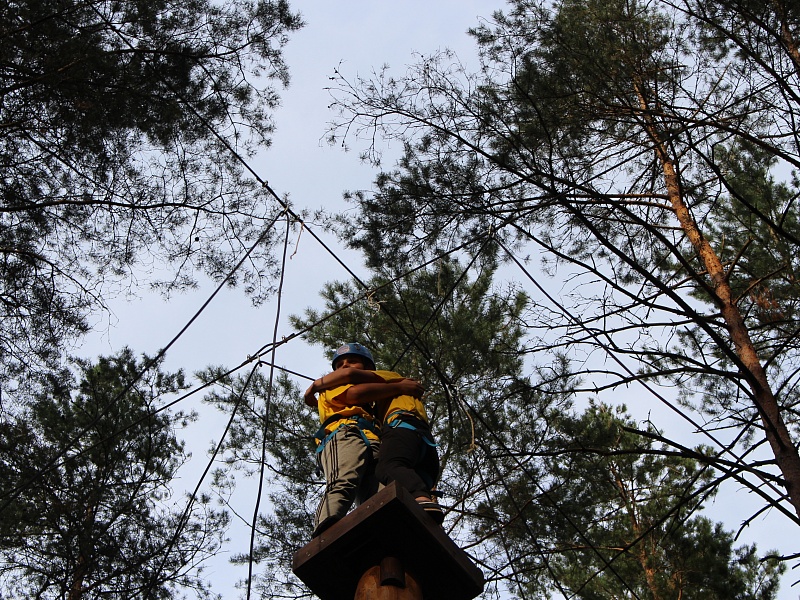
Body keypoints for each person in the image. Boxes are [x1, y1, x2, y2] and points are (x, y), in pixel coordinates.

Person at [306, 342, 443, 527]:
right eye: (340, 365)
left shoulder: (377, 394)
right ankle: (325, 528)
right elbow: (353, 395)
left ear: (368, 369)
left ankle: (384, 530)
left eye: (352, 361)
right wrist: (315, 386)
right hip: (346, 432)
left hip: (374, 439)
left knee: (382, 490)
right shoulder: (334, 386)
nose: (345, 366)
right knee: (344, 479)